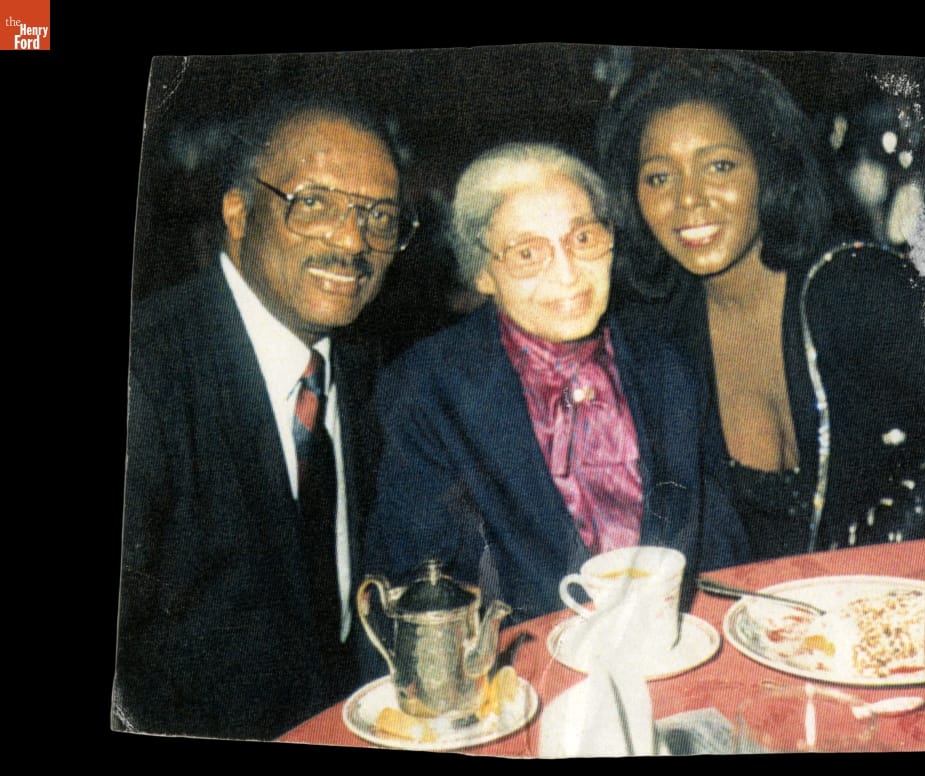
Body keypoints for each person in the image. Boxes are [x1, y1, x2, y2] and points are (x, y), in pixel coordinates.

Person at [596, 52, 925, 560]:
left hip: (898, 601)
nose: (688, 200)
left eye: (719, 166)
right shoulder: (655, 337)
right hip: (757, 622)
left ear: (769, 168)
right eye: (658, 178)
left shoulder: (857, 289)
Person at [114, 100, 417, 740]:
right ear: (238, 213)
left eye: (380, 216)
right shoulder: (148, 369)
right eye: (315, 204)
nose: (353, 240)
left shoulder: (368, 372)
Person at [365, 143, 744, 625]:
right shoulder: (428, 392)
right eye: (527, 253)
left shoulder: (668, 367)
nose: (568, 275)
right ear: (483, 272)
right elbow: (416, 597)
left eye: (582, 238)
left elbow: (724, 555)